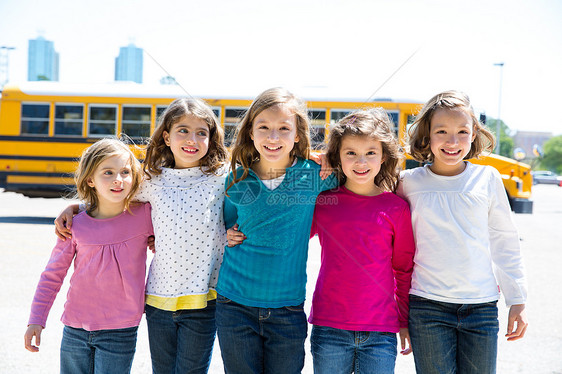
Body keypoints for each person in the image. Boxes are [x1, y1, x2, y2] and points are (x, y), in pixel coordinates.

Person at [54, 98, 229, 374]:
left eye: (201, 132)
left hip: (204, 298)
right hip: (159, 298)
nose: (191, 139)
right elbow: (112, 199)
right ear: (166, 137)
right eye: (182, 130)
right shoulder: (152, 180)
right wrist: (77, 207)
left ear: (212, 138)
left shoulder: (222, 178)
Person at [398, 90, 528, 374]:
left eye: (462, 131)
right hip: (427, 308)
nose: (452, 141)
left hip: (481, 309)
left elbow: (504, 239)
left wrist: (516, 298)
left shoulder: (488, 178)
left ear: (474, 135)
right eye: (441, 131)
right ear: (427, 136)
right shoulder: (408, 183)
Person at [218, 87, 337, 374]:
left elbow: (355, 184)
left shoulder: (314, 175)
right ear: (250, 132)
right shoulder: (238, 180)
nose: (273, 137)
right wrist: (227, 233)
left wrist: (331, 160)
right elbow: (228, 224)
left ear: (297, 135)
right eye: (264, 128)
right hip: (234, 304)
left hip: (287, 307)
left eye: (284, 128)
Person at [24, 138, 154, 374]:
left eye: (125, 172)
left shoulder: (146, 216)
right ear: (90, 180)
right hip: (75, 329)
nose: (118, 179)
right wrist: (36, 319)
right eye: (108, 172)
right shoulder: (74, 225)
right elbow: (52, 275)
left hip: (120, 331)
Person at [309, 109, 415, 374]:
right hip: (330, 327)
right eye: (350, 153)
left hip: (380, 331)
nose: (361, 161)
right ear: (337, 157)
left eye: (370, 152)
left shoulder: (396, 208)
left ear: (383, 156)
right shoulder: (324, 202)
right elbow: (290, 235)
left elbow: (403, 270)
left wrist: (404, 320)